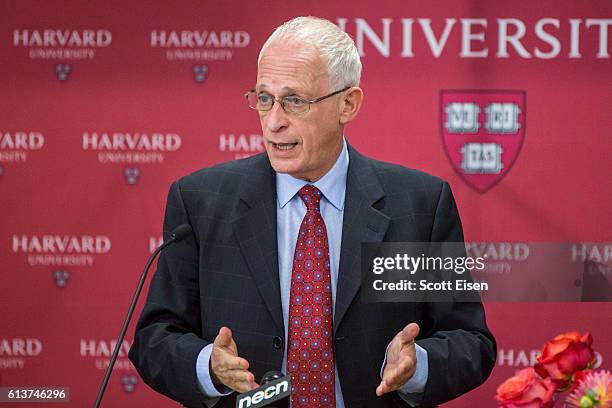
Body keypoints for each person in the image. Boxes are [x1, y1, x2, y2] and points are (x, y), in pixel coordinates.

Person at [129, 16, 496, 408]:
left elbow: (470, 342)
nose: (274, 122)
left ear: (348, 104)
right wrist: (208, 367)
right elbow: (155, 340)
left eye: (295, 101)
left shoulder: (418, 205)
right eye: (265, 98)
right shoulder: (201, 201)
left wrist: (417, 365)